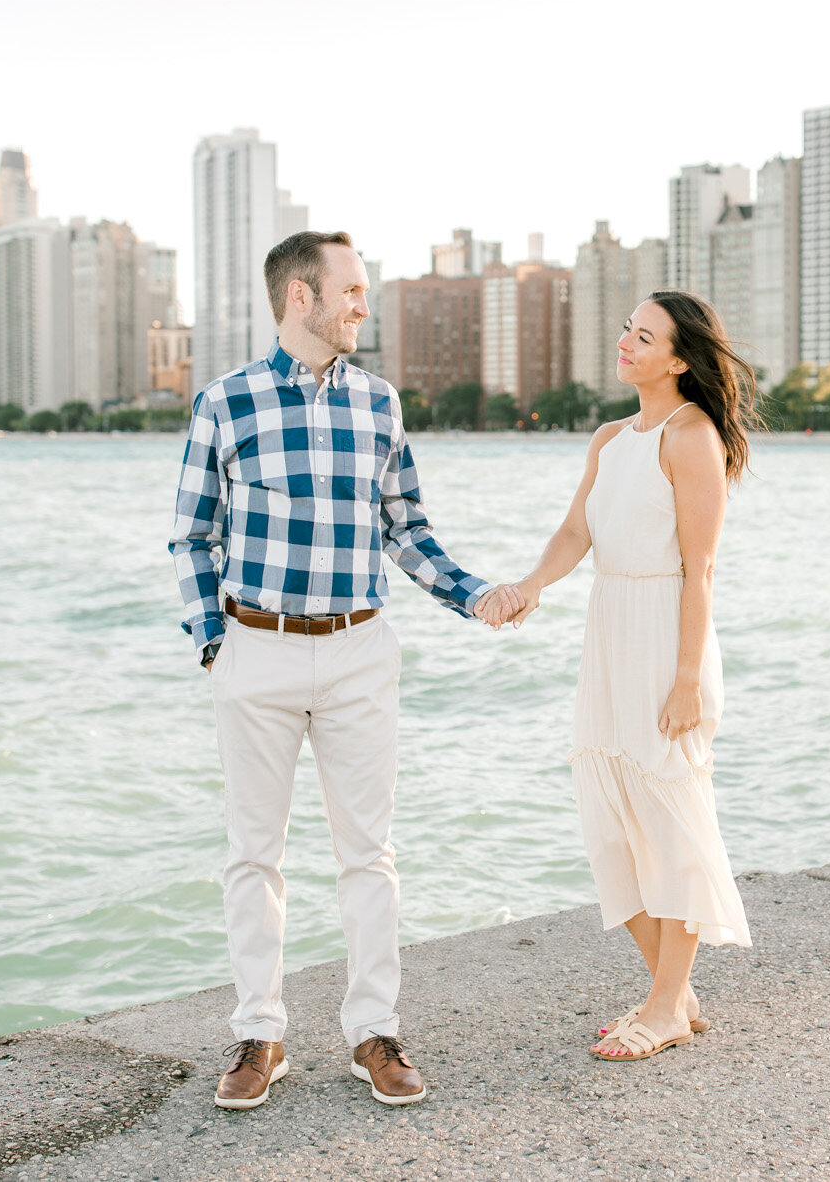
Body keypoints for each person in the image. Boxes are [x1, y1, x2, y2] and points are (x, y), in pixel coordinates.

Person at [169, 230, 521, 1110]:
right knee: (255, 854)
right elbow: (190, 533)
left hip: (363, 648)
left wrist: (474, 595)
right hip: (257, 647)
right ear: (301, 296)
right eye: (352, 291)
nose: (364, 305)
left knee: (370, 852)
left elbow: (407, 529)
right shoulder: (226, 402)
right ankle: (260, 1032)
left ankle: (374, 1031)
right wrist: (216, 641)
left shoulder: (379, 402)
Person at [481, 288, 756, 1062]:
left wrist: (686, 680)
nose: (628, 342)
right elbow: (577, 530)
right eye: (628, 330)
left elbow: (700, 571)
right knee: (613, 819)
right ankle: (676, 990)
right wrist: (530, 586)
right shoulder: (609, 438)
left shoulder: (690, 434)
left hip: (668, 636)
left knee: (671, 818)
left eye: (646, 335)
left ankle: (666, 1005)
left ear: (678, 358)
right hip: (609, 634)